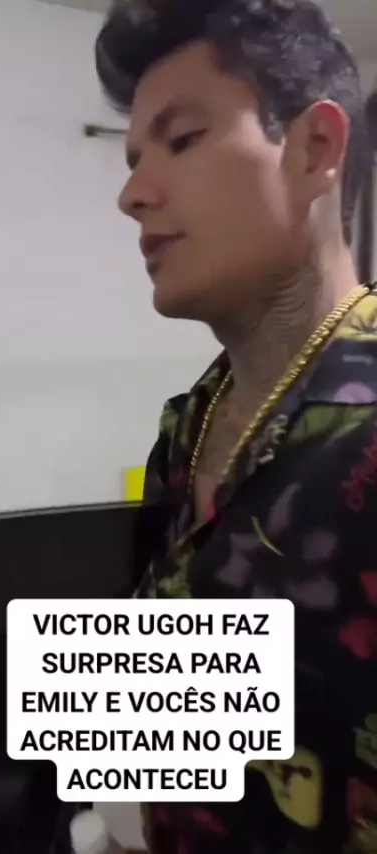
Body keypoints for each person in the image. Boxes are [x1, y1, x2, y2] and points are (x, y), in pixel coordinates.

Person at [94, 0, 377, 852]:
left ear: (316, 149)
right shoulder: (190, 425)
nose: (133, 195)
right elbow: (172, 714)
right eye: (133, 161)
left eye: (182, 141)